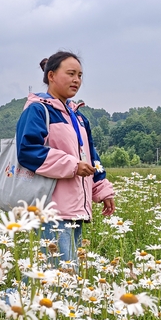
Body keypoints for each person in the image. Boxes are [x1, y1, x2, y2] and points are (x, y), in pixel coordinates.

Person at [16, 51, 115, 266]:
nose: (76, 80)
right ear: (51, 76)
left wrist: (101, 188)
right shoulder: (38, 111)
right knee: (57, 273)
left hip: (75, 208)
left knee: (63, 272)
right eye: (70, 74)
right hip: (51, 208)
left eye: (80, 75)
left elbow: (91, 156)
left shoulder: (78, 117)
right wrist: (72, 165)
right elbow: (27, 151)